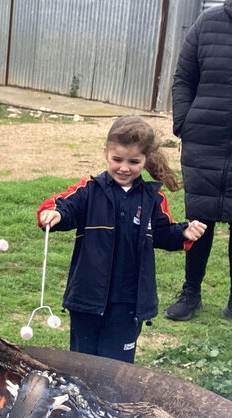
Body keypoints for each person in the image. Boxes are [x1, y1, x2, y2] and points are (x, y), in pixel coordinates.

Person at [37, 116, 206, 363]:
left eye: (134, 161)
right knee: (82, 364)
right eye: (117, 160)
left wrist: (183, 233)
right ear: (106, 153)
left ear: (146, 159)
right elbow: (65, 207)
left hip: (129, 301)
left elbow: (162, 233)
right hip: (87, 299)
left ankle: (112, 403)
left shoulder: (153, 198)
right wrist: (53, 214)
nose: (124, 167)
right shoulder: (89, 190)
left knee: (117, 368)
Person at [164, 0, 232, 321]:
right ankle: (191, 292)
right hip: (204, 142)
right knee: (200, 221)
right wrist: (184, 122)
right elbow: (183, 77)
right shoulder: (207, 22)